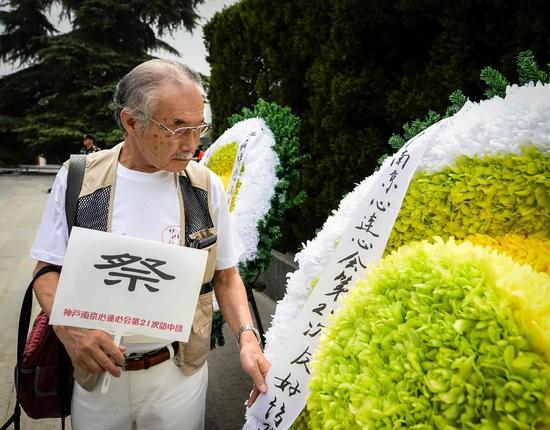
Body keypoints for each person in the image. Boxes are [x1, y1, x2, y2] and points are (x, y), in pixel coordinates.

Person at [30, 59, 270, 429]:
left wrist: (248, 339)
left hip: (179, 373)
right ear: (130, 122)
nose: (192, 144)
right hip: (98, 380)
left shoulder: (205, 188)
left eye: (198, 128)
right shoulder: (81, 178)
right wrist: (73, 332)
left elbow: (225, 276)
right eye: (176, 128)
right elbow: (47, 272)